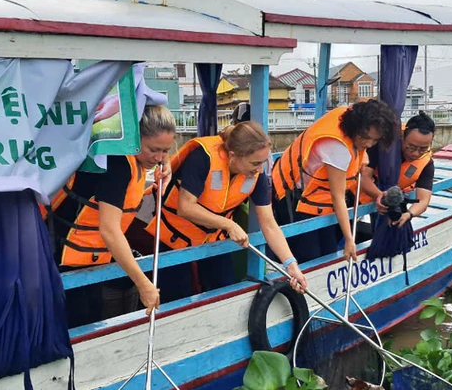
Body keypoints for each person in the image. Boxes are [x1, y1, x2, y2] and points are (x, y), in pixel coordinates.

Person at [44, 104, 176, 327]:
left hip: (92, 260)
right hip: (63, 260)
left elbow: (157, 152)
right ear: (134, 137)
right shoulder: (117, 165)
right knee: (75, 327)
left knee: (94, 320)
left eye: (165, 150)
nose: (158, 157)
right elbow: (110, 230)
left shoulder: (138, 159)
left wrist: (167, 162)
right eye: (154, 149)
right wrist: (143, 284)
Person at [146, 121, 309, 301]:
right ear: (233, 156)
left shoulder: (256, 175)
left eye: (263, 162)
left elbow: (269, 224)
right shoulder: (203, 157)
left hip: (214, 241)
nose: (260, 169)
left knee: (225, 290)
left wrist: (290, 264)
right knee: (175, 297)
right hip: (173, 237)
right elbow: (185, 207)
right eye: (255, 163)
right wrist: (228, 225)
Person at [271, 99, 399, 264]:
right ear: (355, 128)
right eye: (366, 138)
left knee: (328, 251)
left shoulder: (351, 121)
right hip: (295, 197)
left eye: (375, 141)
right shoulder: (337, 147)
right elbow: (337, 196)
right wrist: (349, 239)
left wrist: (376, 191)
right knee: (308, 257)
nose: (368, 144)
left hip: (320, 201)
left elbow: (355, 169)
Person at [360, 111, 436, 226]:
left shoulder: (427, 163)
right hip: (355, 195)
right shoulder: (382, 145)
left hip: (389, 202)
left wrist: (409, 214)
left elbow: (423, 200)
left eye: (422, 149)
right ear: (402, 136)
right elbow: (363, 177)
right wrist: (379, 196)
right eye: (411, 147)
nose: (415, 154)